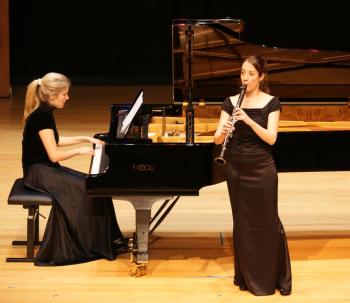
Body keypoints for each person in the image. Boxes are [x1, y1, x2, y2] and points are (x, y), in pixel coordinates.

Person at [22, 72, 128, 266]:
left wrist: (85, 138)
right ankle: (90, 243)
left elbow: (55, 140)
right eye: (64, 94)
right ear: (52, 95)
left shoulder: (45, 112)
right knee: (87, 189)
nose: (67, 98)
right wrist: (80, 151)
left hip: (44, 169)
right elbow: (54, 154)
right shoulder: (41, 116)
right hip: (38, 173)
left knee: (96, 185)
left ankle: (108, 240)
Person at [214, 56, 292, 296]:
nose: (244, 78)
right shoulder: (230, 102)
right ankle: (246, 277)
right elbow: (217, 139)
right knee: (243, 224)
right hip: (236, 169)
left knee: (268, 222)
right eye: (242, 73)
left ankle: (275, 278)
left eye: (250, 73)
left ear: (261, 76)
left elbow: (271, 138)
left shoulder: (272, 102)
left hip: (262, 168)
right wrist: (224, 130)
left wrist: (247, 120)